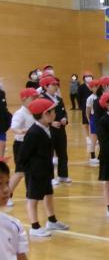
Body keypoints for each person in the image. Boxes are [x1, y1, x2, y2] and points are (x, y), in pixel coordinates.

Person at [17, 99, 69, 237]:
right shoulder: (33, 133)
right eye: (52, 111)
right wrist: (31, 171)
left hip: (46, 170)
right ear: (45, 114)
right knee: (33, 199)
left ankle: (52, 220)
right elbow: (23, 157)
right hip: (35, 172)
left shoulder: (47, 128)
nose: (55, 114)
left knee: (48, 194)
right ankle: (34, 226)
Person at [6, 89, 39, 207]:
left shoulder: (35, 112)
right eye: (33, 98)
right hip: (21, 145)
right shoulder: (20, 113)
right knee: (20, 172)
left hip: (32, 145)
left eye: (36, 98)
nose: (35, 100)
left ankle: (30, 195)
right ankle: (6, 195)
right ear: (24, 99)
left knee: (31, 171)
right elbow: (14, 127)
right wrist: (20, 131)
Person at [40, 76, 70, 184]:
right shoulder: (42, 99)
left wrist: (65, 119)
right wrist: (50, 123)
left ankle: (63, 175)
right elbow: (39, 116)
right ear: (45, 86)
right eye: (53, 85)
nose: (55, 87)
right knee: (49, 154)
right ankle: (51, 177)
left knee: (62, 153)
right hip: (48, 130)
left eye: (56, 84)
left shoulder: (59, 99)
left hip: (61, 130)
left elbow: (64, 112)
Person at [85, 79, 101, 165]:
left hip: (101, 118)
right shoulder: (90, 98)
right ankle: (92, 157)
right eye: (95, 86)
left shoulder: (101, 96)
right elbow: (87, 111)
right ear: (91, 88)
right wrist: (89, 120)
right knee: (94, 139)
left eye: (98, 86)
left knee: (102, 138)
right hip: (94, 118)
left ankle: (101, 156)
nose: (97, 88)